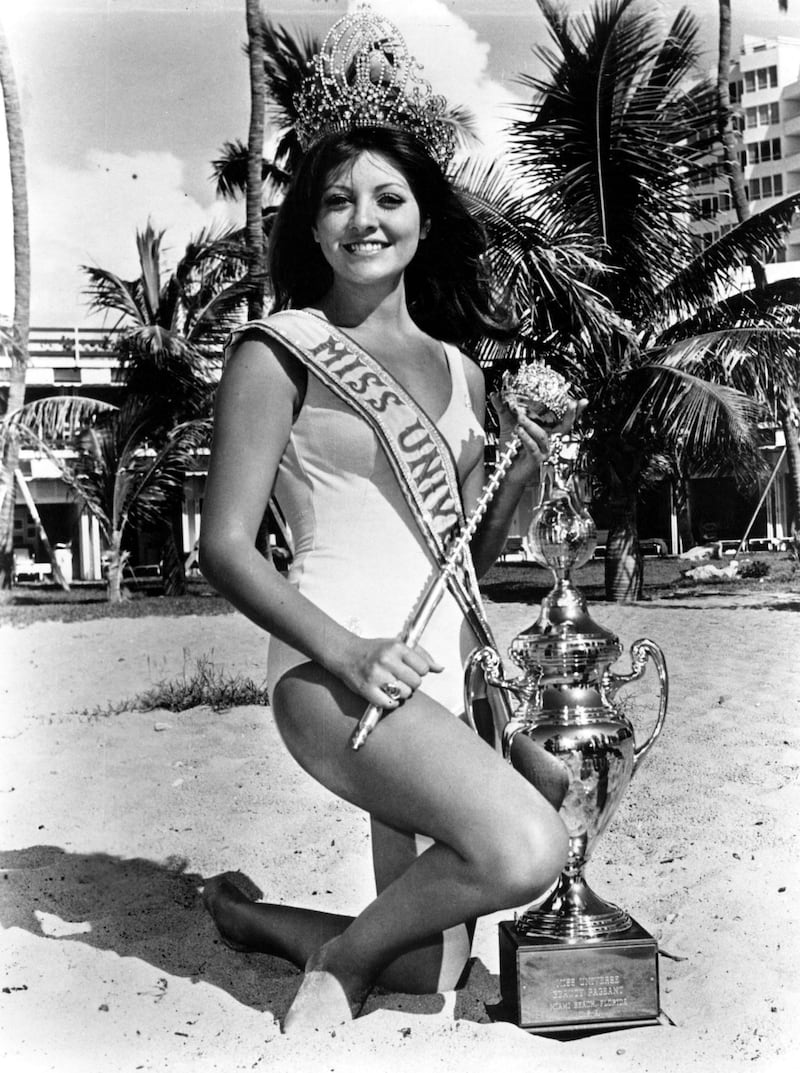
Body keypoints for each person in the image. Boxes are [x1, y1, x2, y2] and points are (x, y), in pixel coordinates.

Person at [198, 5, 576, 1035]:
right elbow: (224, 545)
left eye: (387, 196)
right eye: (336, 200)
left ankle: (275, 922)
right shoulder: (279, 348)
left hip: (441, 664)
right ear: (308, 223)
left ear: (421, 216)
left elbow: (468, 554)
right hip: (333, 667)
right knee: (521, 848)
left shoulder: (459, 368)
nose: (362, 219)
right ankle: (341, 958)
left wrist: (522, 473)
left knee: (427, 965)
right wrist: (347, 652)